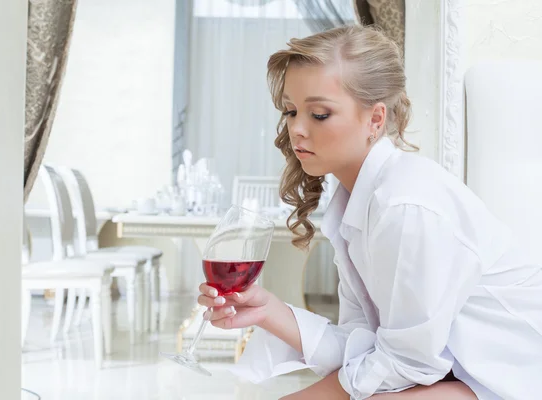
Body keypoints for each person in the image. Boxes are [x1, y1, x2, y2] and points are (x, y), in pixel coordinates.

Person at [197, 25, 542, 399]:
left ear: (375, 120)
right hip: (459, 374)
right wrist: (267, 311)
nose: (296, 129)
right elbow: (363, 343)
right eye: (291, 110)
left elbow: (409, 364)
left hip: (515, 378)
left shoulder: (404, 205)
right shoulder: (357, 202)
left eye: (320, 114)